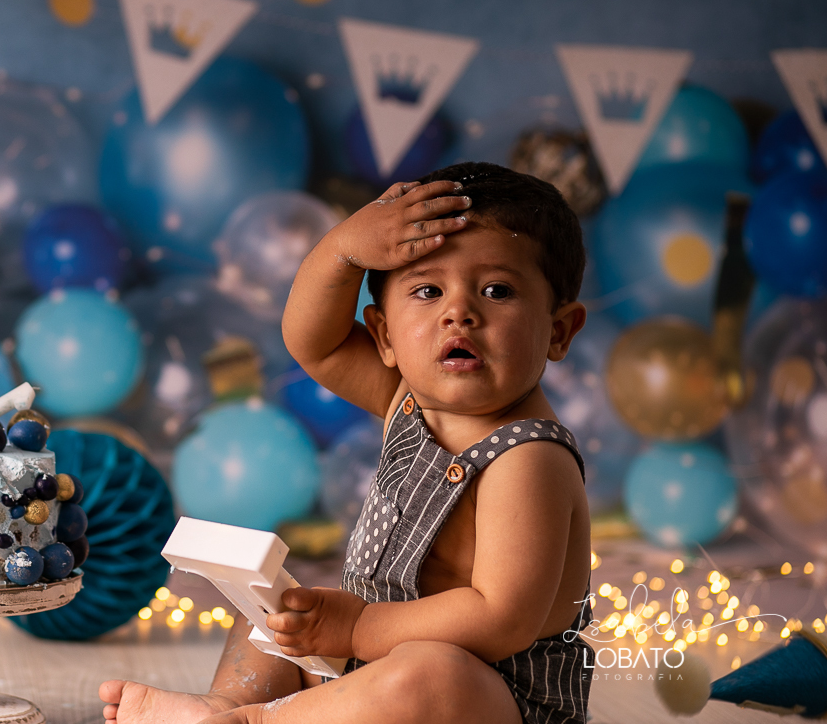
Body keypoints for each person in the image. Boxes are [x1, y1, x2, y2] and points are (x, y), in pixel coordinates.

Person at [101, 162, 594, 724]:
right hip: (368, 658)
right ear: (384, 335)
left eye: (496, 290)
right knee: (282, 610)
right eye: (428, 290)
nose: (459, 312)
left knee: (428, 675)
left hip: (492, 697)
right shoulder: (406, 397)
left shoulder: (529, 459)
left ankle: (255, 721)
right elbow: (313, 343)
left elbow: (502, 618)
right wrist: (343, 250)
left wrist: (359, 627)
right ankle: (228, 704)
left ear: (558, 330)